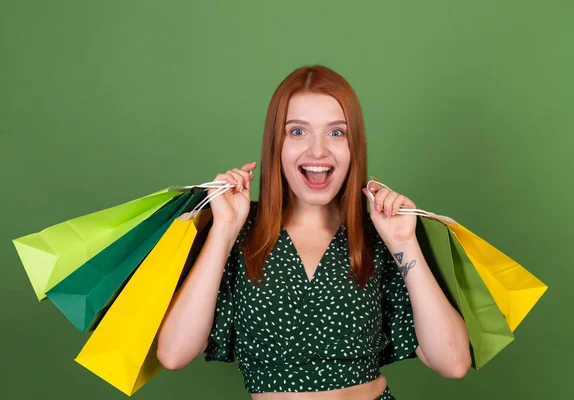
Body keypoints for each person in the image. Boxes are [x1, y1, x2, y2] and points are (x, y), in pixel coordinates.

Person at [156, 65, 471, 399]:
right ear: (276, 143)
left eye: (336, 132)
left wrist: (404, 242)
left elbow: (453, 363)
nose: (318, 151)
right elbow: (174, 354)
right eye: (298, 132)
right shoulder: (237, 231)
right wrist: (224, 230)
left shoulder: (382, 234)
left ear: (354, 146)